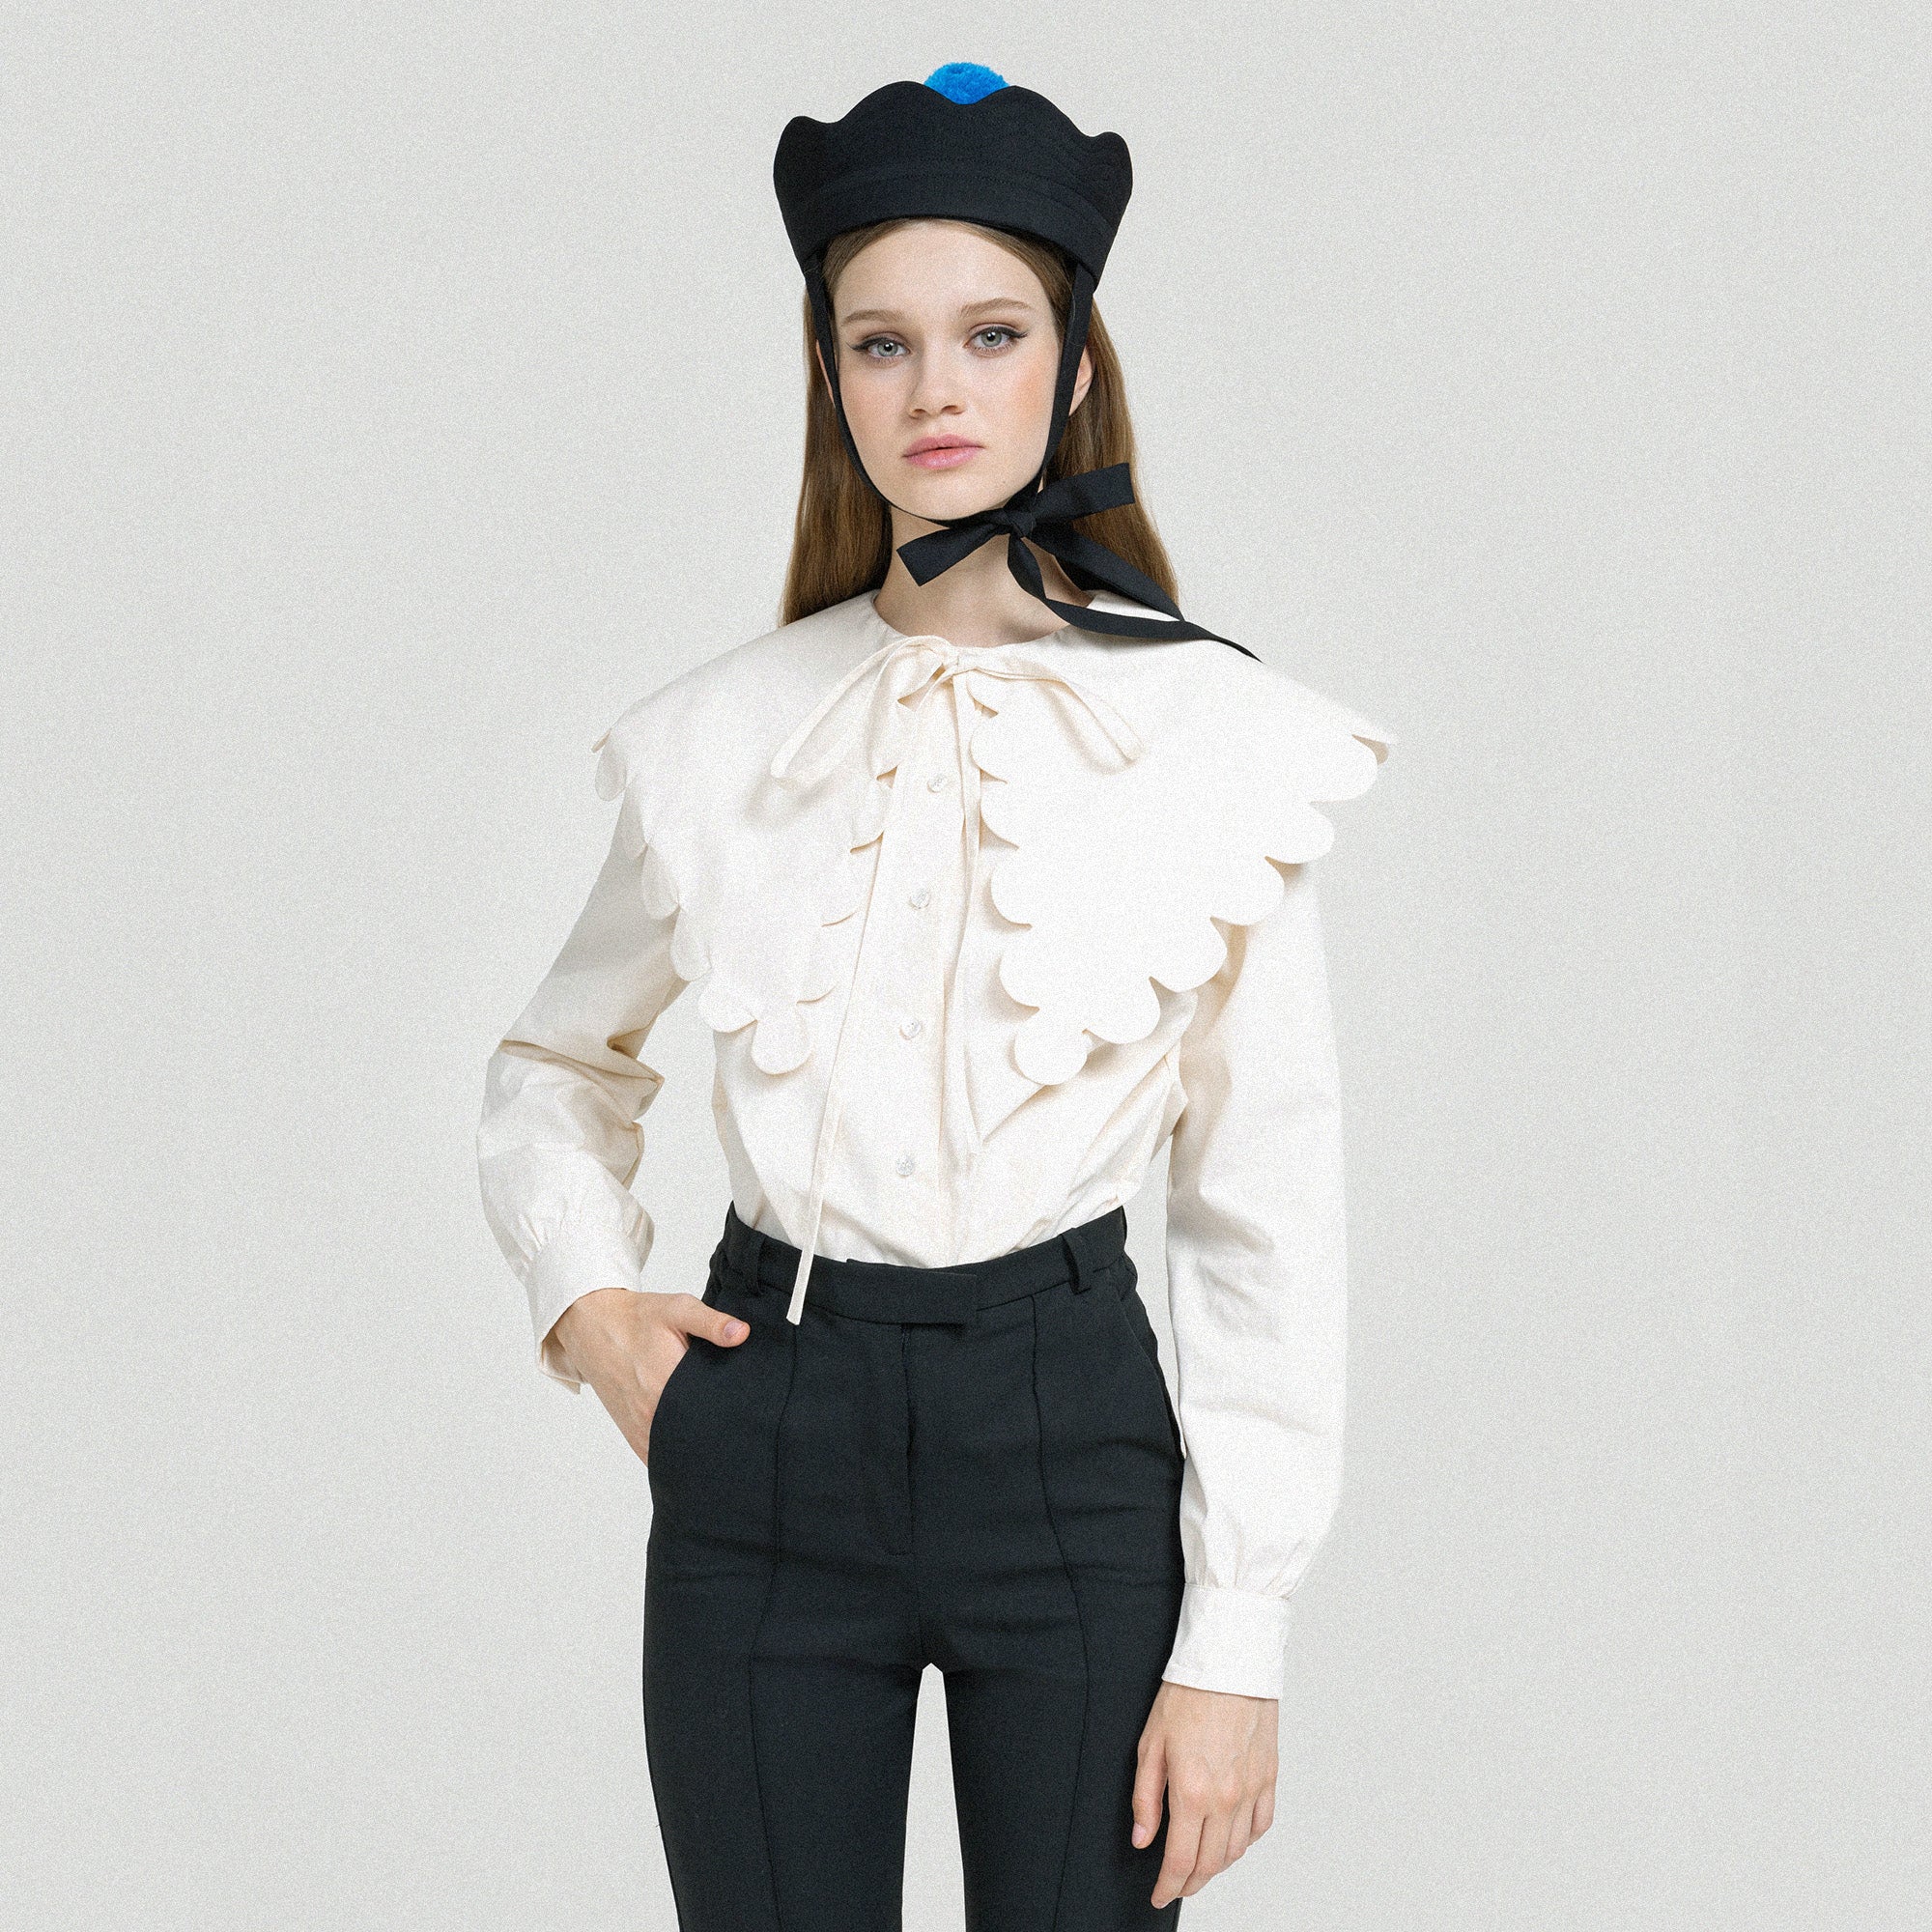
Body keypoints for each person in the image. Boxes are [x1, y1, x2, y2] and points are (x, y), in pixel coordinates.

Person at [476, 64, 1396, 1932]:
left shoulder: (1217, 743)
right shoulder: (719, 735)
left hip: (1069, 1442)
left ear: (1073, 364)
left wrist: (1239, 1637)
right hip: (768, 1435)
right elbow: (555, 1065)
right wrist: (592, 1309)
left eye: (991, 334)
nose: (935, 390)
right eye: (881, 344)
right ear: (832, 378)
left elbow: (1263, 1211)